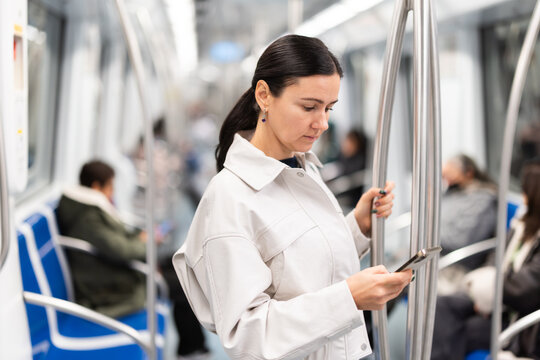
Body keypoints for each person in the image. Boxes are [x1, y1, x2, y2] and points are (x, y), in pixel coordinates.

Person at [172, 34, 412, 360]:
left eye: (329, 108)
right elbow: (248, 337)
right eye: (309, 107)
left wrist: (357, 226)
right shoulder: (229, 199)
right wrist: (349, 299)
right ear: (264, 96)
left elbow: (302, 271)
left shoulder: (303, 169)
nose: (323, 123)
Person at [431, 160, 540, 360]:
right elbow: (496, 257)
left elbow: (526, 288)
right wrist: (478, 291)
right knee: (441, 306)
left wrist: (488, 292)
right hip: (493, 295)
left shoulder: (485, 200)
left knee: (457, 331)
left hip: (512, 312)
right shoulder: (521, 226)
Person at [56, 160, 148, 318]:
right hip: (104, 287)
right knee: (177, 281)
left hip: (112, 271)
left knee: (174, 272)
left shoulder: (87, 209)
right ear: (96, 187)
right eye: (110, 187)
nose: (112, 193)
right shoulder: (88, 218)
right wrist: (144, 242)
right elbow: (121, 250)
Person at [439, 154, 498, 270]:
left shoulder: (482, 200)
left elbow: (460, 240)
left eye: (451, 175)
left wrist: (429, 234)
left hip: (458, 263)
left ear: (469, 173)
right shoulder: (454, 192)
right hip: (442, 254)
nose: (448, 181)